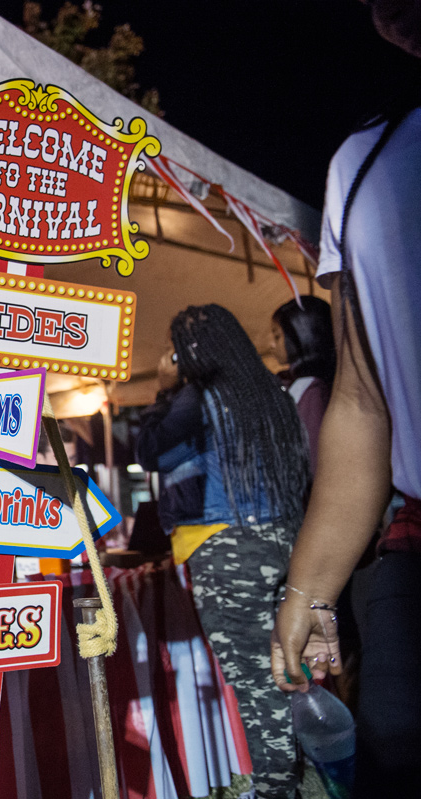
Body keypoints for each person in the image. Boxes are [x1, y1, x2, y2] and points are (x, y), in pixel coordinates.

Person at [272, 4, 421, 794]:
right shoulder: (362, 168)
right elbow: (362, 405)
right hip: (410, 555)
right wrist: (310, 589)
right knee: (392, 748)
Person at [135, 304, 310, 799]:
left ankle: (278, 787)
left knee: (255, 675)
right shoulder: (269, 391)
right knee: (284, 663)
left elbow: (151, 451)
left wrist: (163, 389)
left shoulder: (199, 395)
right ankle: (303, 765)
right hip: (282, 538)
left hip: (226, 547)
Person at [270, 296, 336, 474]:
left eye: (277, 336)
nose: (271, 345)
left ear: (301, 333)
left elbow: (314, 460)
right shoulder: (301, 385)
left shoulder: (310, 390)